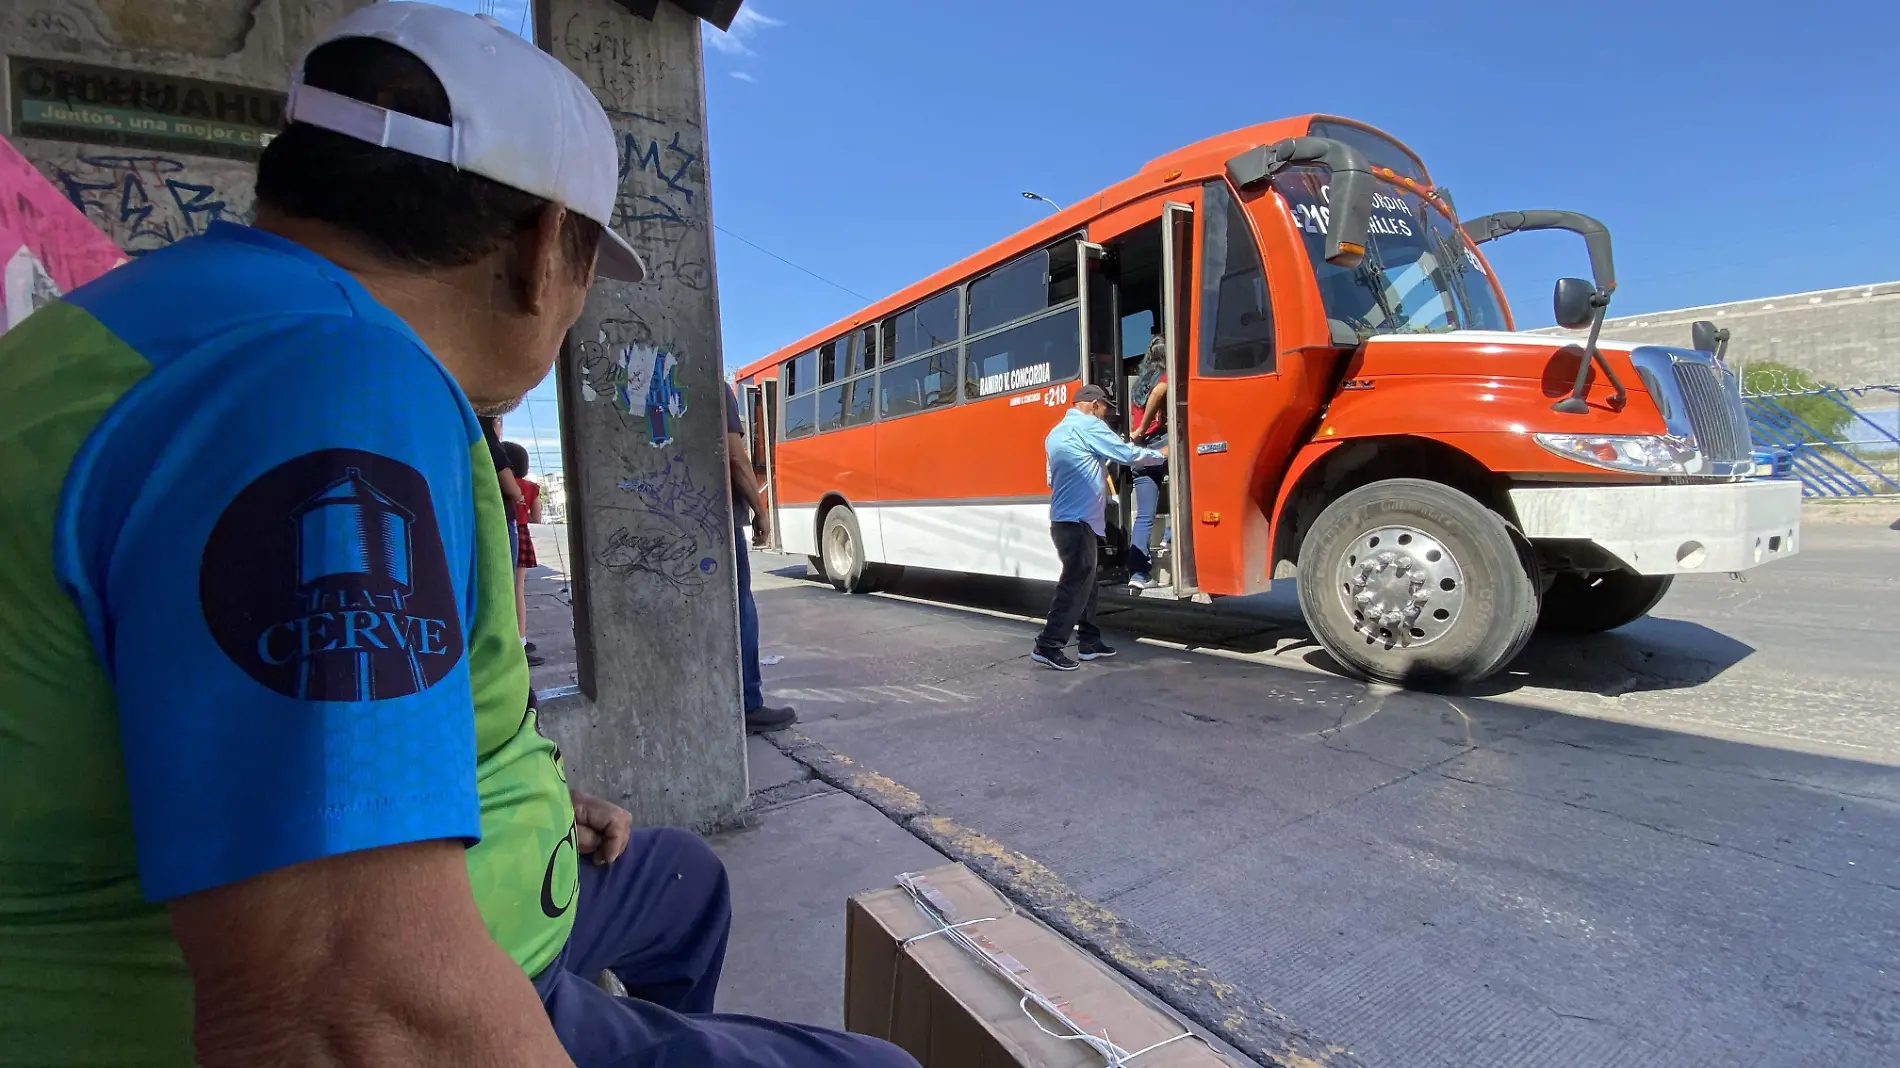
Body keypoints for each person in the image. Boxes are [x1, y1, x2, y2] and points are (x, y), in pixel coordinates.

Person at [0, 6, 915, 1068]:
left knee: (684, 883)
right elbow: (350, 1010)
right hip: (362, 984)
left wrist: (519, 796)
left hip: (489, 891)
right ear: (539, 250)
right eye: (588, 271)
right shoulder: (326, 381)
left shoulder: (139, 324)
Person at [1033, 384, 1167, 671]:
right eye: (1105, 407)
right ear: (1093, 405)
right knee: (1075, 583)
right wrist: (1161, 455)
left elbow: (1050, 479)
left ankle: (1089, 642)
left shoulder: (1055, 434)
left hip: (1066, 521)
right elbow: (1126, 454)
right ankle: (1049, 644)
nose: (1106, 414)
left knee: (1088, 583)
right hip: (1078, 520)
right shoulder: (1090, 425)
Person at [725, 383, 796, 733]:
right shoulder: (709, 381)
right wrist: (761, 512)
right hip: (717, 522)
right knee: (741, 609)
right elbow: (735, 457)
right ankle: (749, 703)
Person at [1126, 335, 1171, 588]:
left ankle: (1139, 574)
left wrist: (1138, 432)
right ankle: (1170, 537)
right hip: (1159, 443)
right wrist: (1144, 428)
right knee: (1186, 494)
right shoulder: (1165, 378)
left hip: (1141, 450)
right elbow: (1160, 392)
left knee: (1144, 516)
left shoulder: (1138, 385)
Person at [503, 440, 546, 666]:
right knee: (519, 589)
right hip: (522, 533)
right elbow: (536, 518)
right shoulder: (531, 488)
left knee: (507, 589)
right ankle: (522, 638)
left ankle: (513, 640)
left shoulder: (500, 482)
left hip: (504, 531)